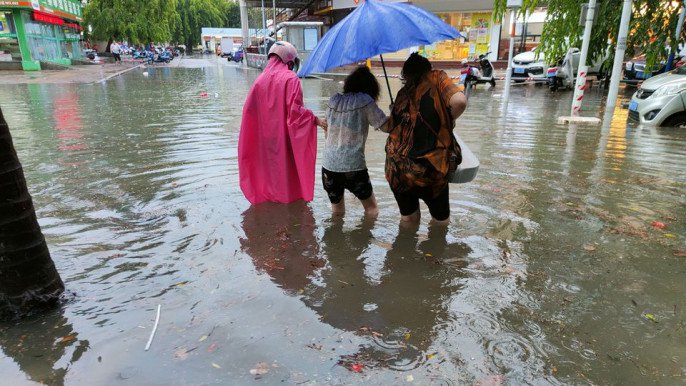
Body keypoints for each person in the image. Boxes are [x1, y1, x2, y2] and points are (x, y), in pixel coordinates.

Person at [238, 41, 327, 205]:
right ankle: (289, 210)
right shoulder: (290, 79)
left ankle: (273, 209)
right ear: (290, 61)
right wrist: (316, 120)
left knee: (271, 176)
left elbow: (249, 114)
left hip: (265, 141)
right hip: (284, 139)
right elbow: (296, 114)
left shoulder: (259, 81)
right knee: (287, 176)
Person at [384, 53, 467, 224]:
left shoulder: (402, 94)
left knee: (408, 220)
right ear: (428, 69)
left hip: (397, 168)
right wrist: (445, 123)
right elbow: (459, 102)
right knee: (440, 221)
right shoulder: (437, 78)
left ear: (405, 74)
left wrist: (395, 111)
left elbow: (389, 127)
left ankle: (404, 250)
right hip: (430, 169)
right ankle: (435, 249)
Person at [322, 66, 388, 217]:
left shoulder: (334, 100)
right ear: (371, 87)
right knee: (372, 209)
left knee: (337, 212)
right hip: (353, 167)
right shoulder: (365, 101)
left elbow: (327, 129)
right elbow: (384, 126)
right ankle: (364, 239)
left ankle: (335, 240)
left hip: (328, 165)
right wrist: (395, 114)